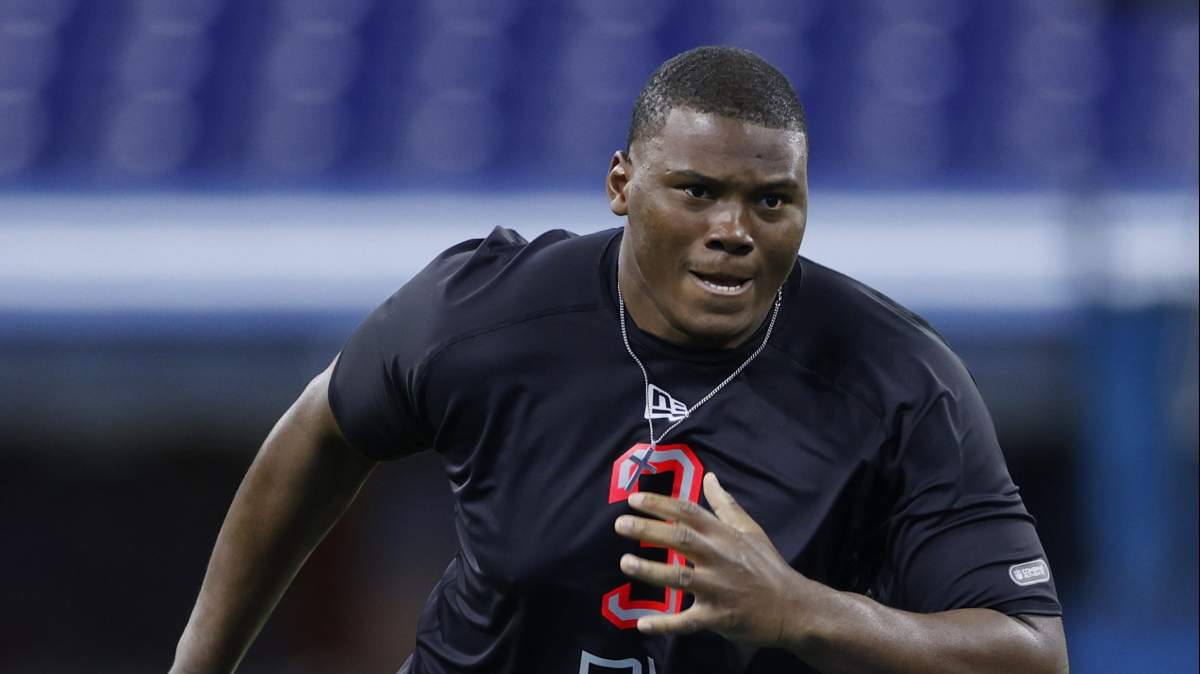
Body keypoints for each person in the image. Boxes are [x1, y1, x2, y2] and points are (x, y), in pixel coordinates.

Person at [171, 46, 1069, 673]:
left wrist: (801, 610)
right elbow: (323, 429)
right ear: (621, 185)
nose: (734, 230)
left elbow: (1031, 653)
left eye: (772, 201)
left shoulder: (897, 379)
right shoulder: (487, 311)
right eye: (697, 191)